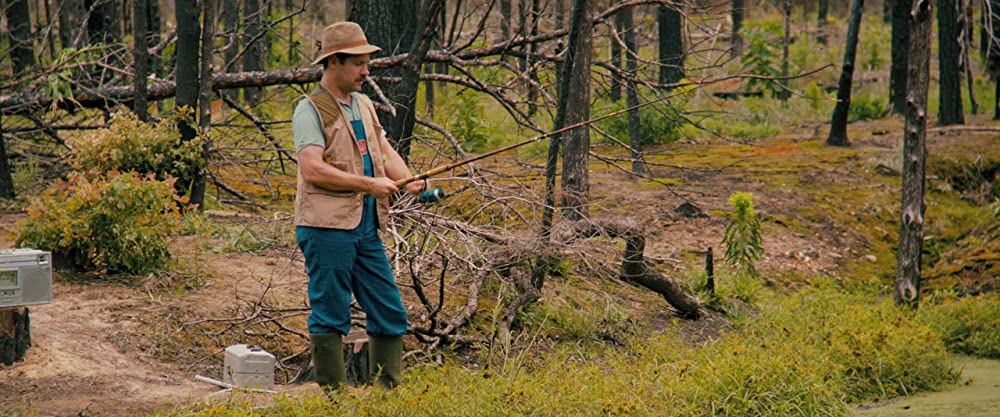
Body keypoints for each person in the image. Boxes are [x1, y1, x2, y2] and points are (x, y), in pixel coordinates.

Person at [292, 21, 424, 391]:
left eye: (367, 62)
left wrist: (409, 179)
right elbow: (312, 169)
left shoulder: (363, 103)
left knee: (389, 311)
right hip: (326, 228)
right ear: (334, 62)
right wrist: (370, 184)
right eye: (358, 63)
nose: (366, 71)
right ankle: (335, 401)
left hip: (366, 225)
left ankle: (386, 398)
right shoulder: (311, 110)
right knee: (331, 314)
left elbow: (383, 150)